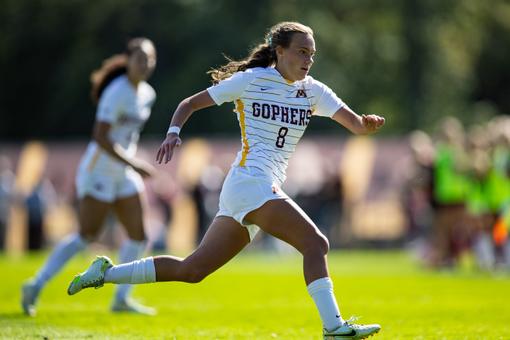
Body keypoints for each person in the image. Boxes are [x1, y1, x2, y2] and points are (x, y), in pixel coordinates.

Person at [67, 22, 384, 339]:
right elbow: (189, 104)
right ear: (280, 51)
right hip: (252, 182)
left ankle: (104, 274)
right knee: (316, 243)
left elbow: (355, 124)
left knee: (192, 270)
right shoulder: (251, 80)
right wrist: (173, 134)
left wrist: (366, 125)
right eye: (302, 52)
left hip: (250, 188)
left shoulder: (313, 90)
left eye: (311, 54)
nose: (308, 60)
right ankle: (334, 327)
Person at [22, 37, 158, 316]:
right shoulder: (117, 91)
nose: (145, 64)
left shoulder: (148, 93)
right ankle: (36, 284)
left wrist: (132, 161)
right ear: (128, 60)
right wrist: (134, 162)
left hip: (123, 171)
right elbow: (101, 136)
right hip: (99, 169)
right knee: (86, 235)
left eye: (150, 59)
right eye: (140, 58)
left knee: (138, 235)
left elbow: (126, 135)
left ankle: (121, 298)